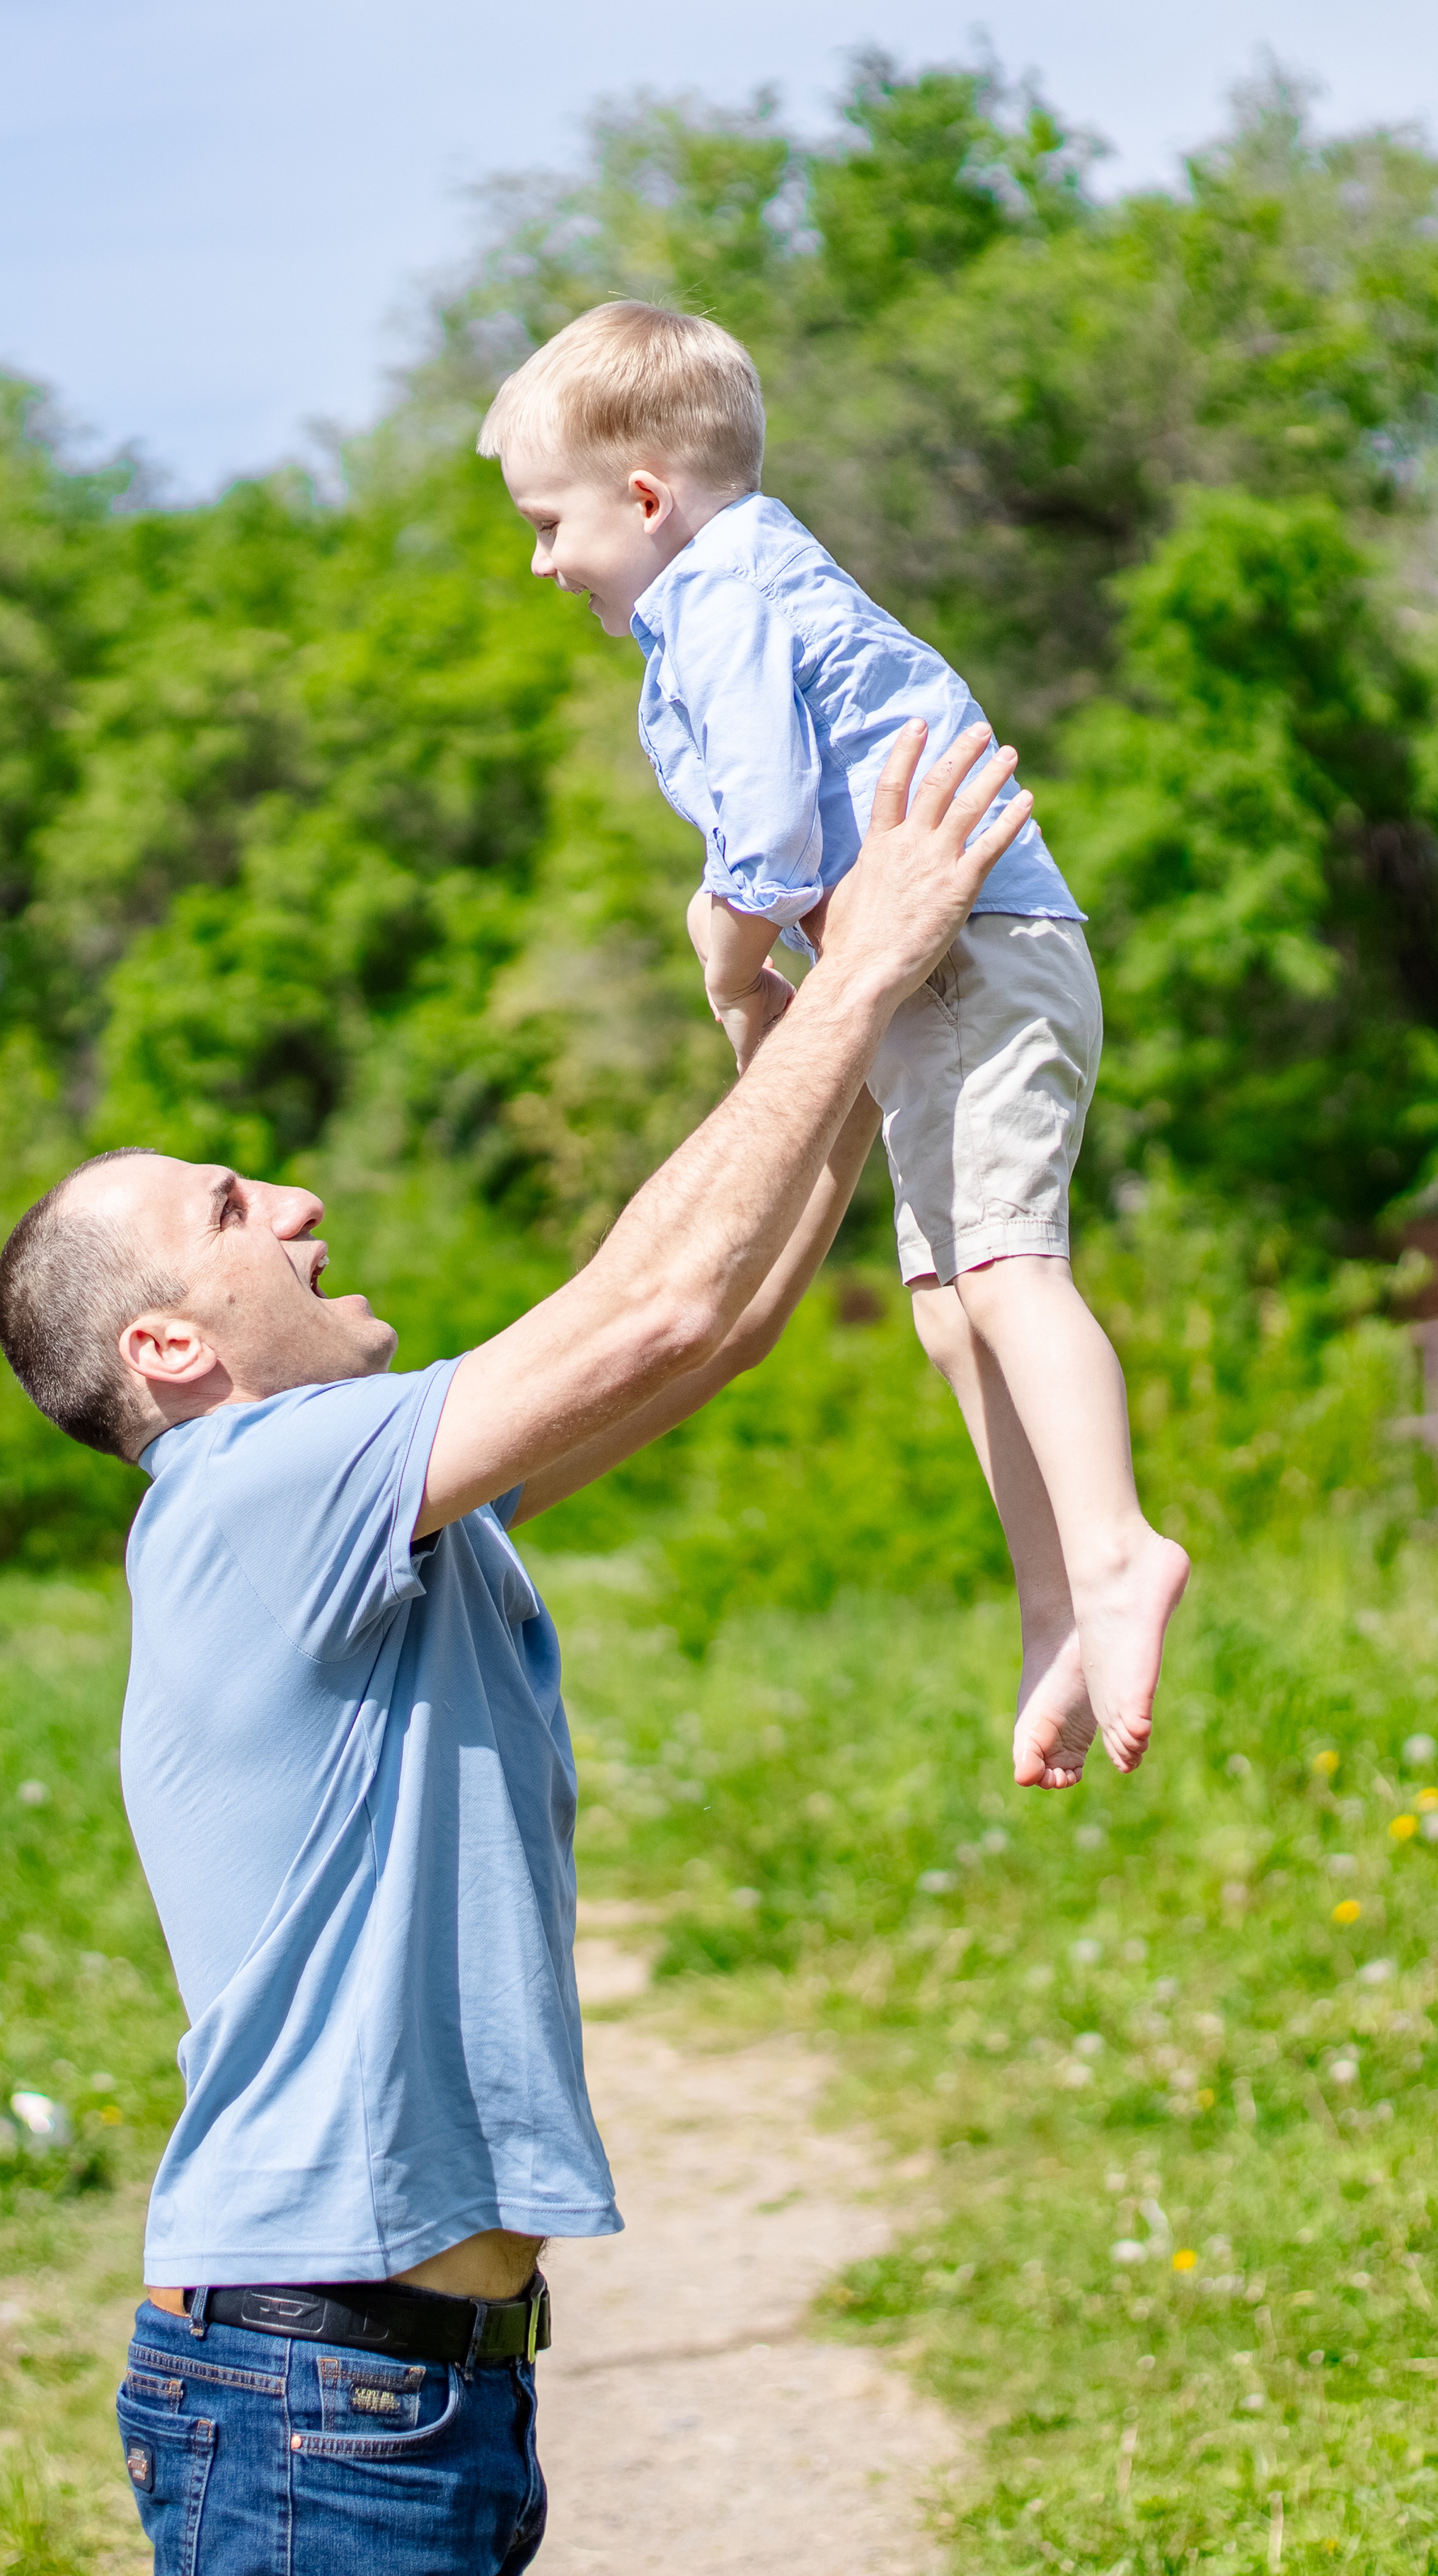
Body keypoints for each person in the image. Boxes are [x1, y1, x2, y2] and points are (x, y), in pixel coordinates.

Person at [0, 724, 1027, 2575]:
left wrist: (861, 1047)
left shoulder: (360, 1509)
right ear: (167, 1350)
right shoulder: (251, 1488)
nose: (297, 1202)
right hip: (321, 2399)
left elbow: (715, 1334)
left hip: (398, 2392)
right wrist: (864, 959)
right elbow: (650, 1300)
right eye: (234, 1208)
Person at [477, 299, 1190, 1796]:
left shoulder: (722, 595)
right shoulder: (717, 596)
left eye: (549, 523)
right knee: (942, 1306)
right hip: (928, 979)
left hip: (985, 953)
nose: (542, 561)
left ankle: (1117, 1549)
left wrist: (727, 946)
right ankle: (1053, 1598)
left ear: (646, 498)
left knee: (1005, 1269)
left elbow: (769, 821)